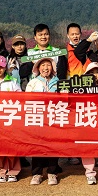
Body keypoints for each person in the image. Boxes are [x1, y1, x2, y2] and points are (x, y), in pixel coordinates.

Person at [25, 57, 62, 185]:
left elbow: (65, 99)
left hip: (54, 119)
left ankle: (52, 172)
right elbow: (26, 100)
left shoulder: (59, 82)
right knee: (37, 146)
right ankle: (37, 173)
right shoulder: (33, 83)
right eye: (43, 65)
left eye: (48, 65)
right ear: (37, 68)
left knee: (53, 145)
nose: (46, 68)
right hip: (38, 118)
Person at [0, 55, 23, 183]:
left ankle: (13, 171)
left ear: (5, 67)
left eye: (1, 67)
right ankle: (1, 171)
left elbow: (20, 97)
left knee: (12, 145)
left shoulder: (13, 81)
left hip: (11, 118)